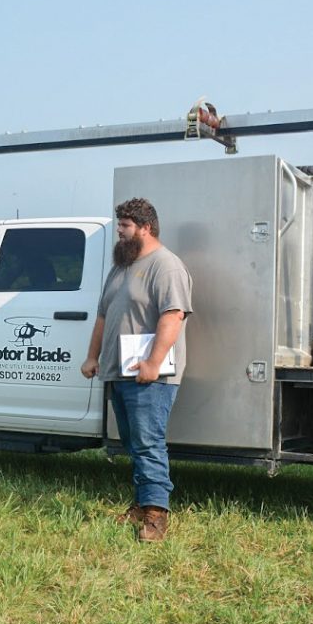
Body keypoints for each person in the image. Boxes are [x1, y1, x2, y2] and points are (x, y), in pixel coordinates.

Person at [81, 198, 193, 542]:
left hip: (151, 375)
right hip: (120, 371)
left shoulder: (166, 266)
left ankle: (156, 515)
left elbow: (173, 315)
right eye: (119, 226)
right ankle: (144, 503)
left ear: (146, 227)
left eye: (125, 226)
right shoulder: (122, 267)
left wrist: (155, 363)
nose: (120, 232)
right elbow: (103, 315)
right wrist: (92, 356)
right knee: (132, 441)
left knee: (147, 442)